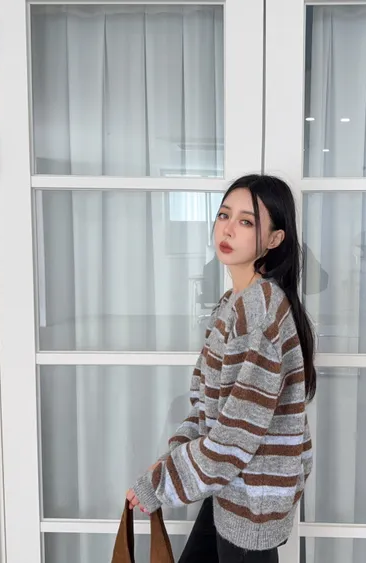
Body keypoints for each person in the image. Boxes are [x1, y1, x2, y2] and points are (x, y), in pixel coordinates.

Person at [126, 175, 316, 563]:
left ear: (274, 239)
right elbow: (208, 408)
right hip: (230, 488)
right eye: (224, 215)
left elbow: (233, 437)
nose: (227, 229)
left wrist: (159, 484)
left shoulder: (258, 314)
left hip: (251, 502)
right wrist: (171, 460)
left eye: (246, 222)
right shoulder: (235, 302)